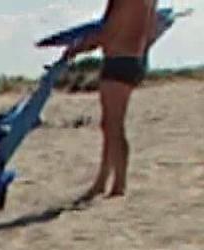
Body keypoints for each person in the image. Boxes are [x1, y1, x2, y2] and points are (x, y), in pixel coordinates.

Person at [65, 0, 159, 199]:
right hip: (134, 60)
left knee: (114, 126)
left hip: (118, 60)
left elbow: (108, 32)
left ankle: (118, 184)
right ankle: (103, 180)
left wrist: (78, 47)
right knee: (110, 125)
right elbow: (151, 31)